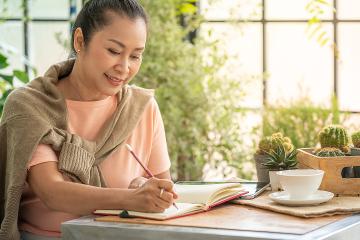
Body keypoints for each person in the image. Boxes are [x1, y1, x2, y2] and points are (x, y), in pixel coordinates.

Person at [0, 0, 177, 239]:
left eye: (135, 56)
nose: (124, 67)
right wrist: (132, 199)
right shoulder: (32, 106)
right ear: (80, 41)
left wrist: (144, 187)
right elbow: (53, 192)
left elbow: (162, 188)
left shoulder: (142, 108)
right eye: (114, 51)